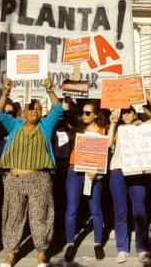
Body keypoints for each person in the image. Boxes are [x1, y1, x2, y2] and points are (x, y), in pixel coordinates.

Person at [0, 75, 63, 267]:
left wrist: (49, 89)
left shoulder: (45, 126)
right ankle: (10, 254)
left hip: (38, 179)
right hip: (13, 179)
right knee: (12, 217)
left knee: (40, 216)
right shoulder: (15, 126)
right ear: (23, 112)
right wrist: (6, 90)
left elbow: (57, 109)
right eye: (31, 108)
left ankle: (41, 253)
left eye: (39, 109)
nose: (35, 110)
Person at [64, 100, 109, 262]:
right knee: (72, 209)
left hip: (93, 174)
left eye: (88, 113)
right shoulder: (78, 128)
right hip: (75, 171)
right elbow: (65, 113)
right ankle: (70, 244)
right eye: (83, 112)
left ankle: (98, 244)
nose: (84, 115)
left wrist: (96, 172)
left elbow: (104, 155)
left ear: (96, 114)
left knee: (95, 208)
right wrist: (67, 101)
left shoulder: (104, 131)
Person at [107, 106, 149, 264]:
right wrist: (112, 124)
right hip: (118, 171)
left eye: (129, 112)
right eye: (123, 112)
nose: (126, 115)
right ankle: (122, 248)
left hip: (136, 172)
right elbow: (108, 144)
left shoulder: (142, 127)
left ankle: (142, 248)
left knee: (139, 211)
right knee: (120, 213)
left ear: (134, 113)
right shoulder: (117, 129)